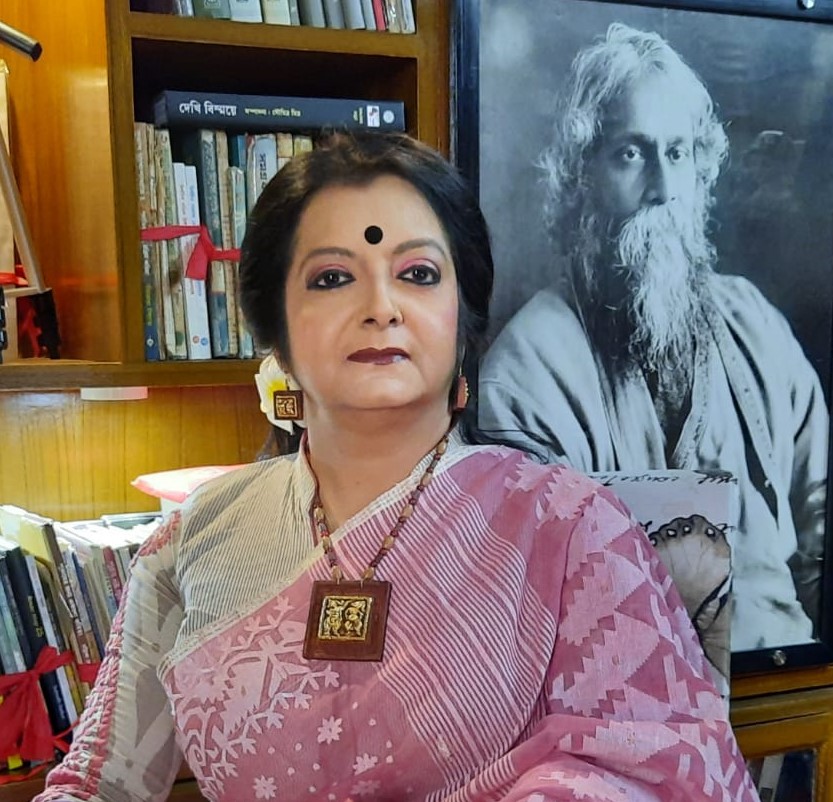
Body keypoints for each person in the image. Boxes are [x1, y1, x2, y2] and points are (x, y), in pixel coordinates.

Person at [35, 131, 757, 801]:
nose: (380, 307)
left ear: (463, 317)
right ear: (274, 327)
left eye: (417, 273)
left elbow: (650, 771)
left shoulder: (570, 530)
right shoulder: (194, 539)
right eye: (331, 278)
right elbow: (97, 782)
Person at [478, 23, 829, 653]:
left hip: (797, 692)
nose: (663, 189)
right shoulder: (526, 374)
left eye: (679, 152)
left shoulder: (754, 322)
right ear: (582, 172)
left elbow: (821, 519)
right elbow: (550, 614)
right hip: (629, 699)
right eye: (632, 154)